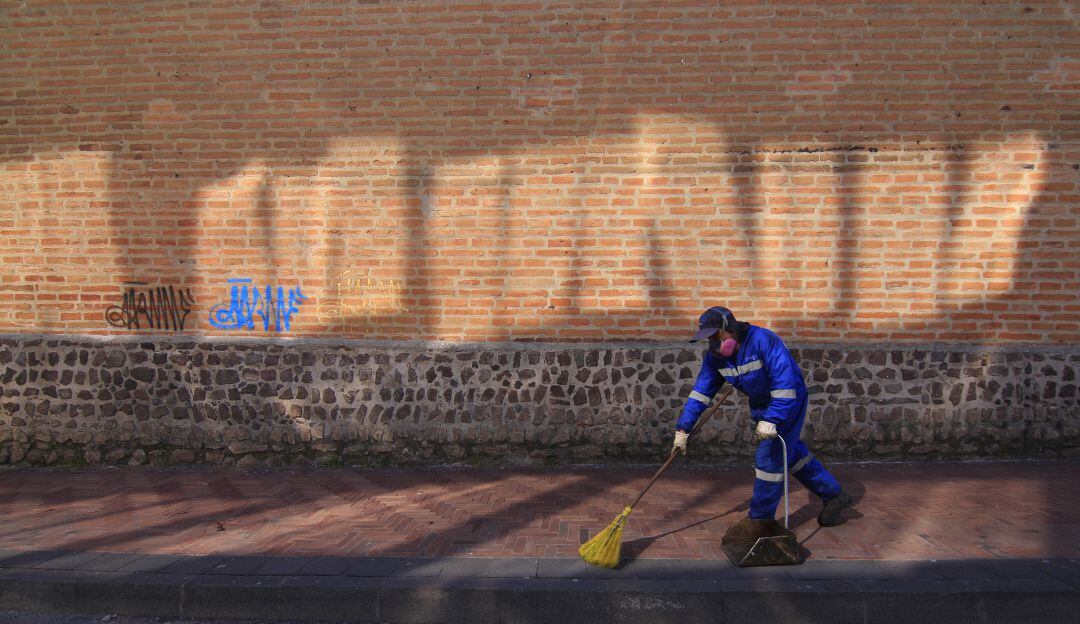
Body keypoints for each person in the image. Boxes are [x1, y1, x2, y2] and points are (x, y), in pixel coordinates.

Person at [672, 306, 853, 527]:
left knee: (769, 459)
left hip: (788, 400)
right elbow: (701, 393)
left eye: (715, 335)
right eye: (708, 338)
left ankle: (760, 522)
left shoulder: (763, 340)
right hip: (761, 404)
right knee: (792, 453)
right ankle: (834, 495)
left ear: (729, 327)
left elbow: (785, 385)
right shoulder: (716, 358)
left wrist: (772, 419)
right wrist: (683, 429)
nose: (713, 343)